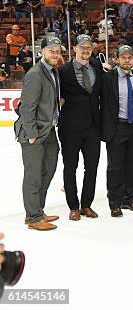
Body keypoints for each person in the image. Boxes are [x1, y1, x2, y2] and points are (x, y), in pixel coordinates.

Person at [14, 37, 63, 231]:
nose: (55, 54)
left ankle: (38, 209)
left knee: (48, 169)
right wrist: (32, 133)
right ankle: (33, 217)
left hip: (49, 130)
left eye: (58, 51)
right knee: (34, 175)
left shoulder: (54, 71)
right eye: (51, 51)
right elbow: (26, 107)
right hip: (33, 133)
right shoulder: (35, 73)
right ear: (42, 52)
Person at [58, 34, 103, 221]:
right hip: (70, 128)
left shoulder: (97, 67)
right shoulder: (63, 71)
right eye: (82, 47)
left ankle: (86, 205)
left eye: (89, 47)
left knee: (91, 167)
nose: (86, 50)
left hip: (93, 127)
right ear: (74, 49)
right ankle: (73, 206)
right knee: (70, 167)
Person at [100, 45, 133, 217]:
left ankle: (129, 199)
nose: (127, 60)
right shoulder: (107, 78)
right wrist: (99, 64)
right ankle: (115, 203)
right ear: (116, 59)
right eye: (123, 57)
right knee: (115, 167)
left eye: (129, 57)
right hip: (116, 127)